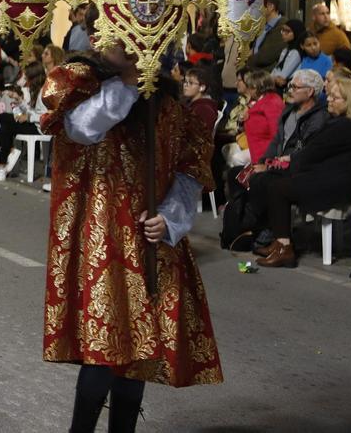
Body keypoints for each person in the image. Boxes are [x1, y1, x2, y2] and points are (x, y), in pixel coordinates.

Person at [41, 44, 222, 431]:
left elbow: (190, 168)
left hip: (148, 240)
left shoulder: (169, 107)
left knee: (140, 346)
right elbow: (81, 129)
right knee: (104, 344)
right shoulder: (80, 80)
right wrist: (125, 85)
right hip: (101, 240)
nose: (125, 46)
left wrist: (170, 218)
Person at [253, 76, 351, 268]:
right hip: (332, 176)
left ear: (350, 102)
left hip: (339, 184)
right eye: (330, 96)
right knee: (274, 179)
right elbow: (315, 153)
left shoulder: (344, 127)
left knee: (278, 187)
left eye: (335, 98)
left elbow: (312, 154)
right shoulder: (343, 123)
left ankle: (284, 248)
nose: (329, 100)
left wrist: (287, 163)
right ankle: (279, 242)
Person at [246, 0, 286, 72]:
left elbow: (267, 56)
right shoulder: (264, 25)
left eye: (258, 5)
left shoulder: (283, 26)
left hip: (267, 74)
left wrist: (247, 59)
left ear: (270, 7)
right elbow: (256, 48)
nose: (255, 9)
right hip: (255, 71)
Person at [181, 64, 219, 134]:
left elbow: (198, 135)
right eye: (185, 82)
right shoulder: (193, 103)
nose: (185, 85)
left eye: (191, 83)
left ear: (202, 87)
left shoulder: (203, 109)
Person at [270, 19, 306, 87]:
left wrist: (273, 78)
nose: (283, 33)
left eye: (287, 31)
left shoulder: (296, 53)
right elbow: (275, 71)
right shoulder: (285, 50)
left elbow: (282, 77)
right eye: (283, 30)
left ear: (296, 32)